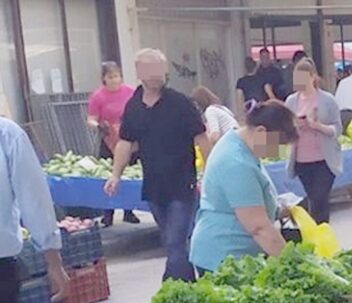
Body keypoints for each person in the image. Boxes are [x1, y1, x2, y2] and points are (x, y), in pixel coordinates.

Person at [105, 48, 210, 282]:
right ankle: (191, 288)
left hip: (183, 184)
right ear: (139, 72)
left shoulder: (180, 103)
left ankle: (173, 288)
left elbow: (202, 138)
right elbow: (125, 142)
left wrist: (210, 173)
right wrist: (115, 175)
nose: (156, 75)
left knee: (175, 241)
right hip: (153, 187)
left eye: (159, 69)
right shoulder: (133, 106)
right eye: (150, 69)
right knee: (173, 243)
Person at [190, 101, 298, 275]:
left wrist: (278, 209)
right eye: (278, 145)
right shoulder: (236, 163)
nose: (278, 153)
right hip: (223, 257)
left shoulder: (240, 143)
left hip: (238, 254)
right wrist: (292, 265)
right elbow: (259, 227)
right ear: (261, 132)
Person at [0, 117, 71, 303]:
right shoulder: (7, 135)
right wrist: (54, 262)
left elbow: (34, 200)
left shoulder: (8, 135)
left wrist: (54, 262)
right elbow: (34, 200)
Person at [285, 58, 343, 225]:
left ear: (312, 77)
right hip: (302, 160)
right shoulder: (291, 101)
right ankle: (318, 232)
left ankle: (321, 231)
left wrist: (317, 126)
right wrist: (296, 125)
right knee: (313, 197)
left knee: (320, 197)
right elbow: (285, 129)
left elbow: (337, 129)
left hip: (324, 160)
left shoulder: (327, 100)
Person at [87, 61, 140, 227]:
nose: (115, 80)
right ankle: (108, 213)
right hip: (109, 139)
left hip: (129, 139)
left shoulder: (131, 92)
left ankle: (128, 211)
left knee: (128, 173)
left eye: (117, 76)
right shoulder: (98, 96)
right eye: (111, 77)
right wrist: (98, 126)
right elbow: (91, 119)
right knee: (109, 173)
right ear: (104, 78)